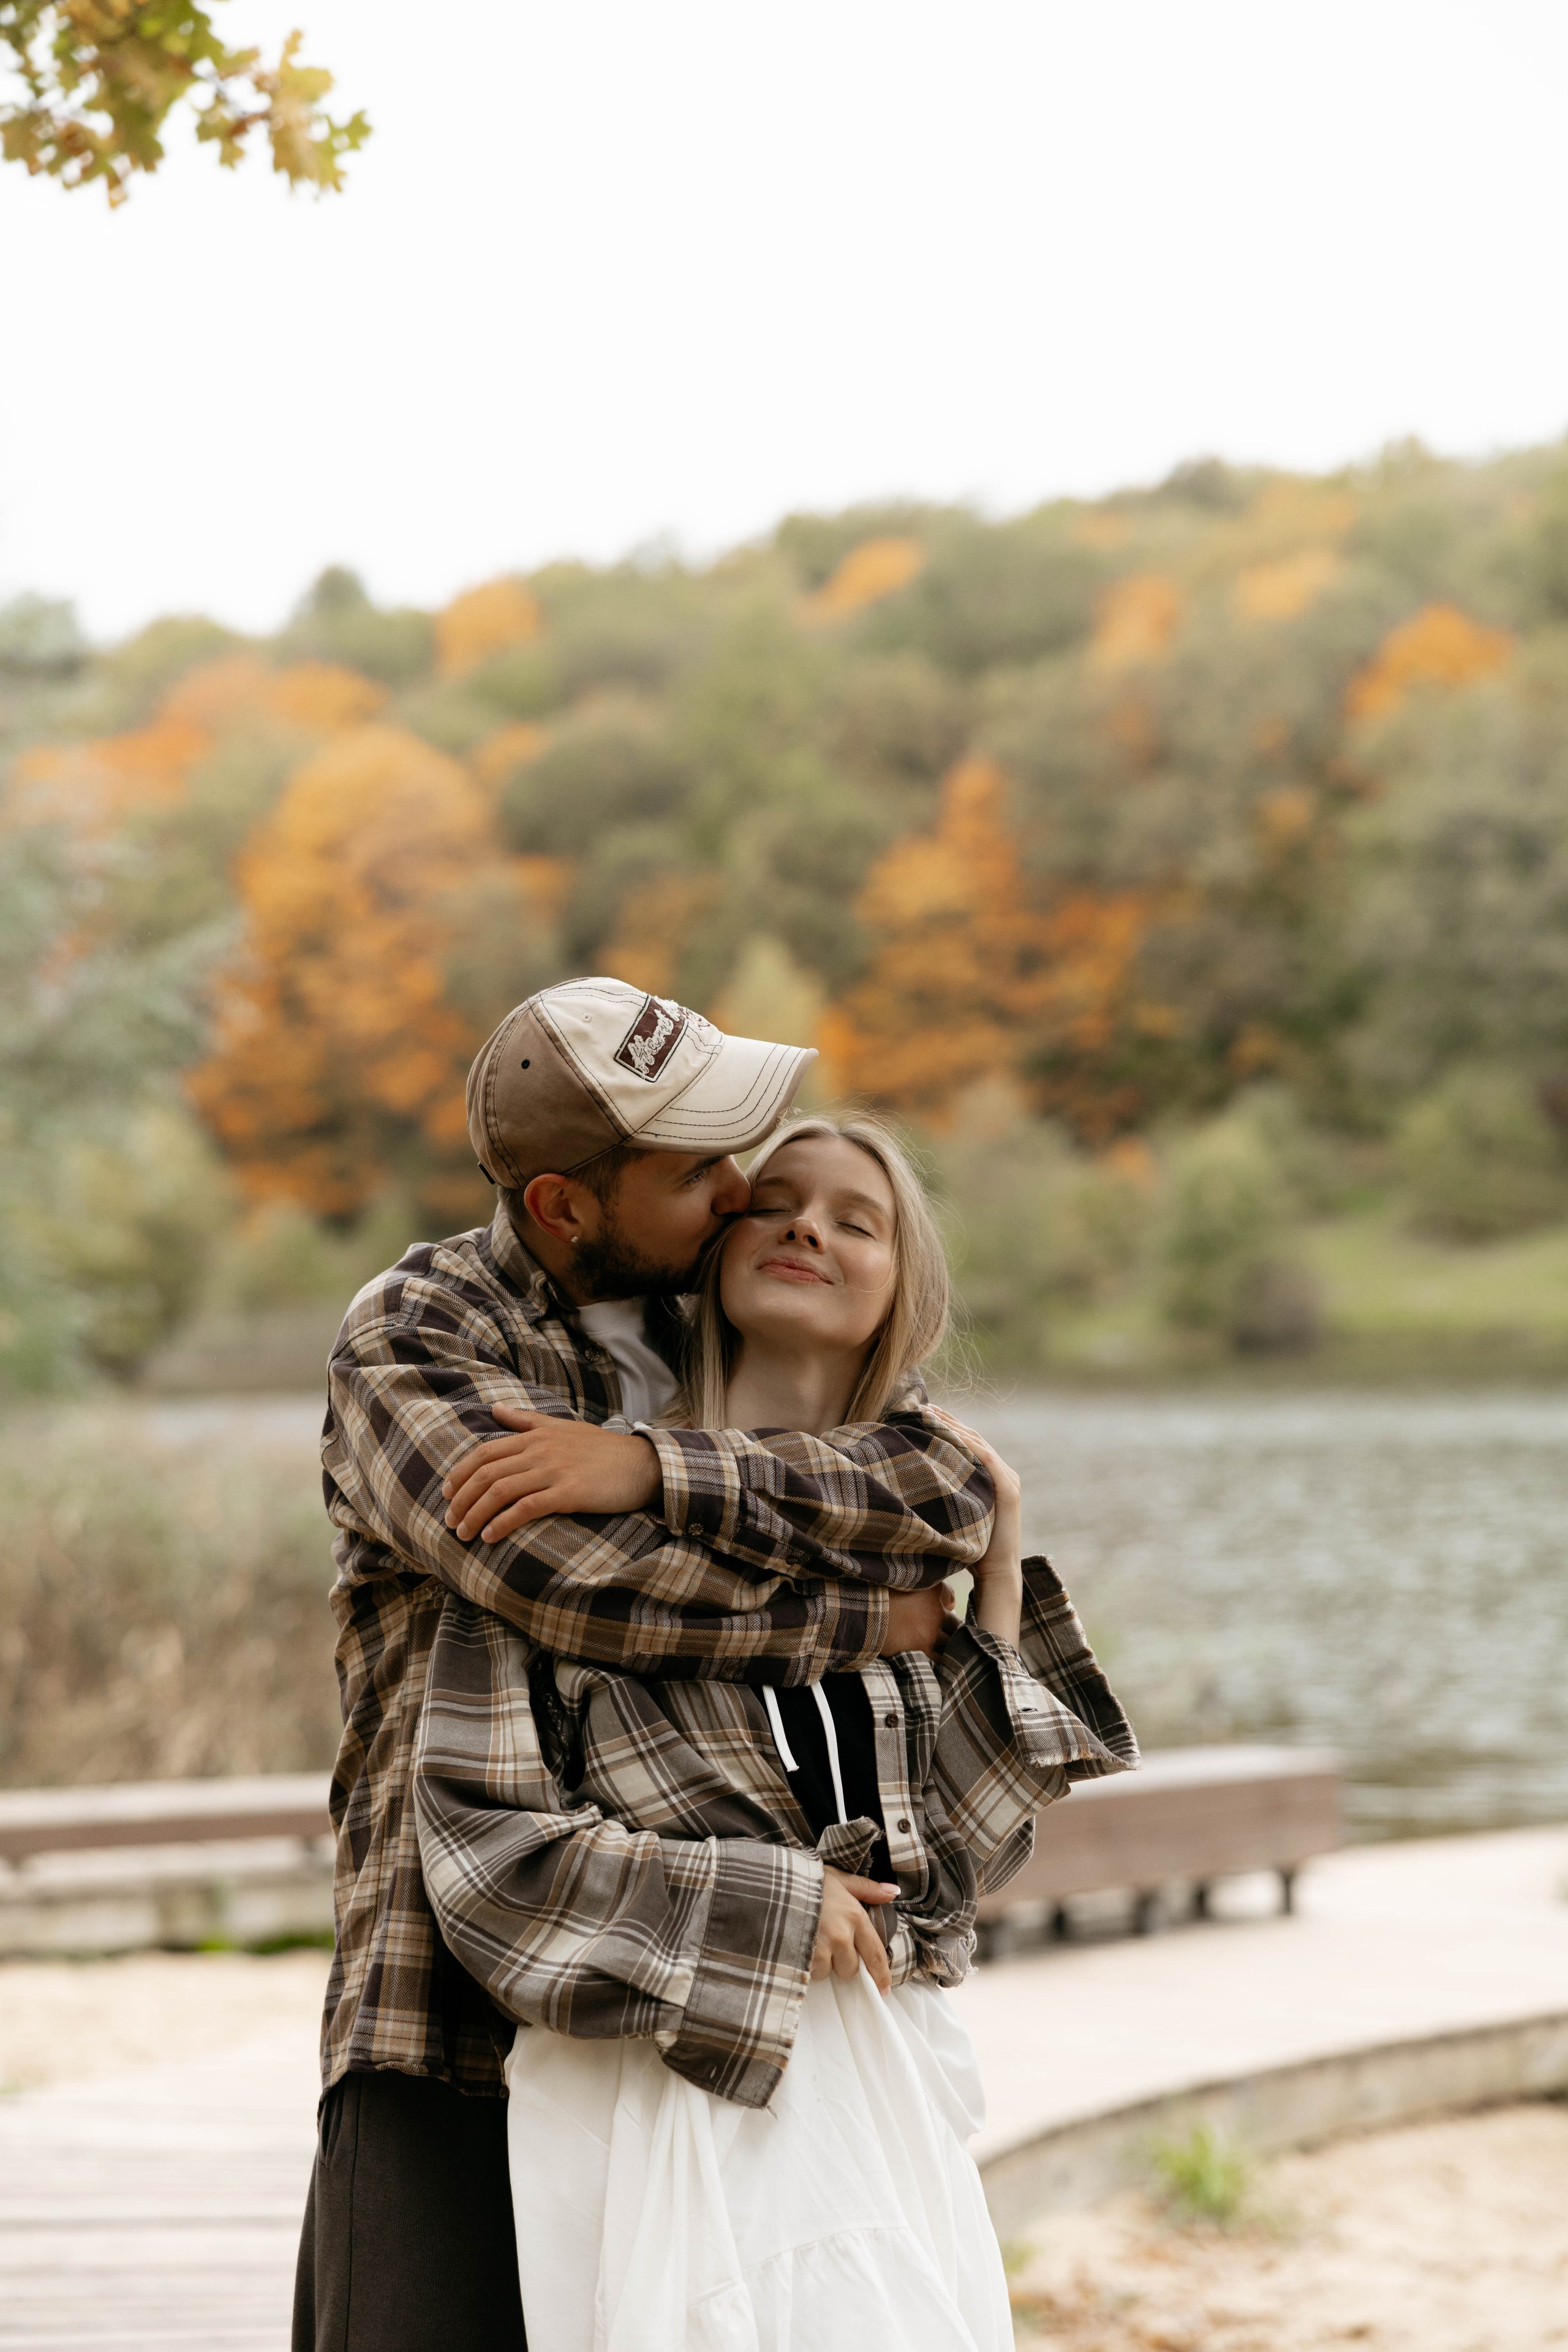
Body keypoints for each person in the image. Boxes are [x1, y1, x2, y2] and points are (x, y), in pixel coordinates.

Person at [293, 978, 1006, 2352]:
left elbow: (931, 1480)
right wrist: (862, 1621)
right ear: (565, 1206)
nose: (742, 1194)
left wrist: (650, 1467)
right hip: (450, 1990)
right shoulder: (422, 1333)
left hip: (710, 2016)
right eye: (694, 1172)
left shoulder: (716, 1315)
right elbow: (568, 1583)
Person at [414, 1114, 1136, 2351]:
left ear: (902, 1291)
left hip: (870, 2082)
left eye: (858, 1221)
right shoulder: (578, 1525)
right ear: (715, 1249)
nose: (808, 1227)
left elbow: (953, 1876)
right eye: (776, 1202)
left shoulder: (908, 1535)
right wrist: (771, 1900)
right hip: (659, 2081)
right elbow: (486, 1861)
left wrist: (999, 1581)